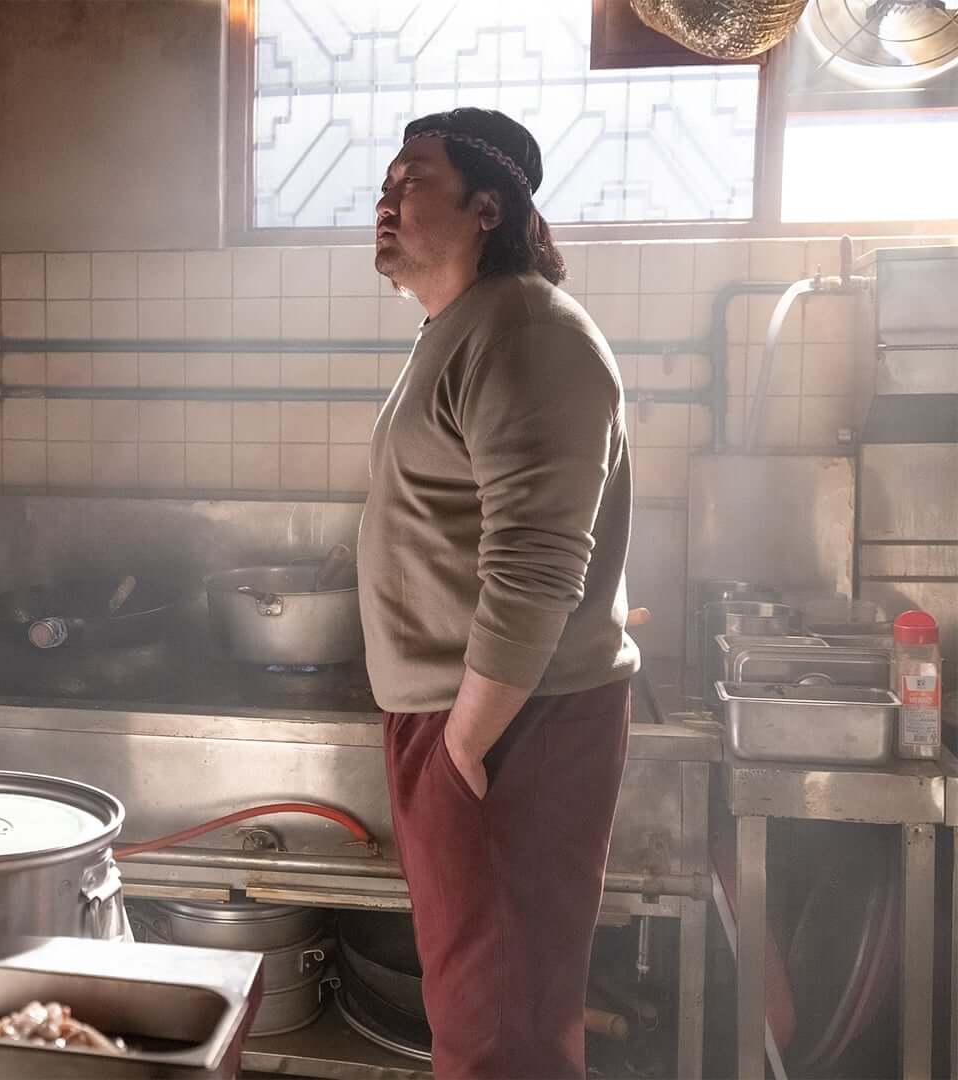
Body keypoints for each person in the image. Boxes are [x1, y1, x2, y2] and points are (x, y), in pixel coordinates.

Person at [357, 108, 640, 1078]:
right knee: (481, 1016)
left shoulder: (525, 329)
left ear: (488, 208)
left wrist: (465, 746)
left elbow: (537, 561)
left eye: (413, 181)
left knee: (501, 1033)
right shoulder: (464, 327)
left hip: (507, 727)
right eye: (385, 184)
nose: (386, 200)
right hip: (468, 721)